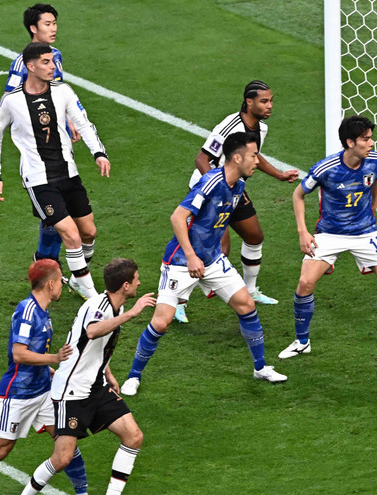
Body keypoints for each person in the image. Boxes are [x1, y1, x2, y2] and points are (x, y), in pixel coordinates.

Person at [119, 132, 286, 396]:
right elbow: (178, 217)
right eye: (254, 155)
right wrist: (191, 256)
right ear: (237, 157)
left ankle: (260, 367)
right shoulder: (210, 182)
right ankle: (133, 376)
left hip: (212, 260)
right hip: (180, 262)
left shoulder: (238, 186)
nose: (257, 161)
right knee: (161, 323)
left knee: (246, 304)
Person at [2, 258, 157, 495]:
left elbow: (90, 346)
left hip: (96, 386)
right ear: (125, 285)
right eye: (136, 279)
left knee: (134, 436)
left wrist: (108, 373)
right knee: (62, 458)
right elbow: (92, 331)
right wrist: (132, 314)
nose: (139, 283)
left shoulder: (114, 306)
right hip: (72, 391)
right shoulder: (100, 307)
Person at [0, 260, 102, 495]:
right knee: (2, 448)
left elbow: (36, 352)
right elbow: (19, 354)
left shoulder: (43, 311)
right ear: (50, 284)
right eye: (61, 281)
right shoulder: (27, 311)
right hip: (18, 393)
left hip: (43, 391)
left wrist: (51, 370)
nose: (63, 286)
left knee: (66, 439)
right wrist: (54, 358)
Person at [278, 115, 377, 359]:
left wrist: (374, 207)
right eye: (365, 139)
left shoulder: (375, 161)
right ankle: (301, 342)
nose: (371, 143)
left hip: (365, 233)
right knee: (305, 284)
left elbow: (376, 180)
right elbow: (298, 194)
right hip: (330, 234)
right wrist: (303, 232)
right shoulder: (326, 168)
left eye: (371, 138)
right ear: (350, 142)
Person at [0, 41, 110, 300]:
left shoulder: (63, 91)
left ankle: (77, 277)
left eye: (52, 61)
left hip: (69, 173)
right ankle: (92, 295)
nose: (52, 66)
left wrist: (99, 153)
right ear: (30, 67)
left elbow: (83, 124)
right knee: (71, 235)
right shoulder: (12, 101)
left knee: (88, 232)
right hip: (39, 180)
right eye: (45, 62)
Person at [174, 80, 299, 323]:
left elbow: (255, 156)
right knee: (216, 249)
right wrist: (216, 188)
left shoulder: (261, 129)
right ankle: (178, 302)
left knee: (254, 236)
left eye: (271, 101)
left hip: (234, 190)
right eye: (264, 101)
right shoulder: (229, 125)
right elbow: (202, 159)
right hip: (208, 191)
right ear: (249, 102)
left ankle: (250, 290)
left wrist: (279, 174)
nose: (270, 106)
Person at [4, 4, 80, 271]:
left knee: (59, 209)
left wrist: (68, 119)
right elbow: (8, 101)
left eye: (55, 23)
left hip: (60, 145)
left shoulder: (55, 55)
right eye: (47, 24)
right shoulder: (21, 64)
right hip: (40, 151)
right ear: (33, 28)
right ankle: (47, 266)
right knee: (56, 211)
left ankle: (48, 264)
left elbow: (55, 93)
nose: (54, 28)